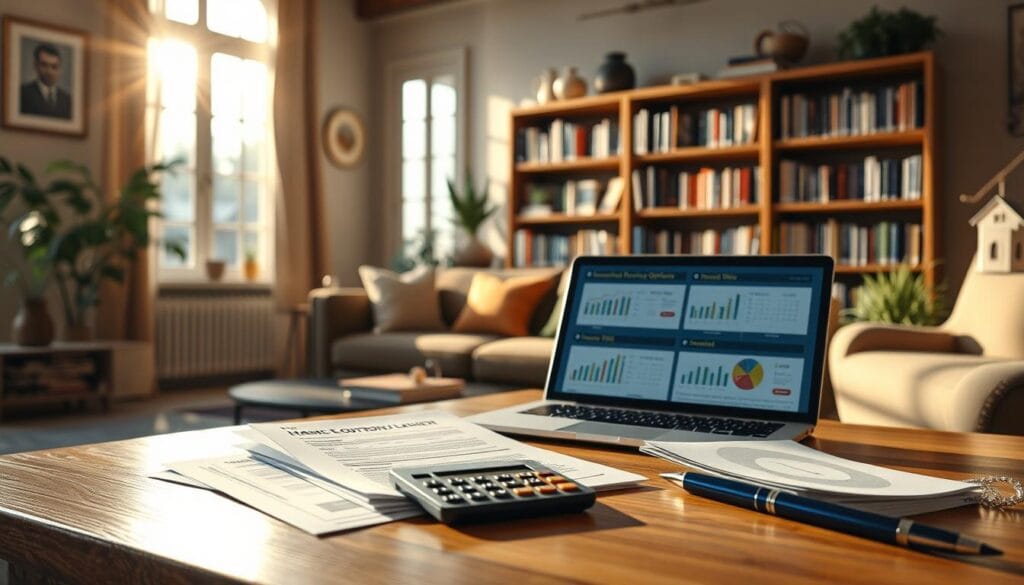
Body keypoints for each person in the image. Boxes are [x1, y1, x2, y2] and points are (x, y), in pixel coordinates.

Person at [19, 43, 72, 119]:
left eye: (54, 67)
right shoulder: (23, 93)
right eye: (44, 65)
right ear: (35, 66)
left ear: (60, 69)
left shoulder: (67, 100)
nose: (49, 72)